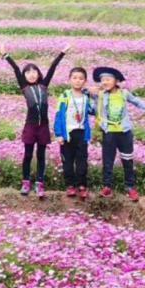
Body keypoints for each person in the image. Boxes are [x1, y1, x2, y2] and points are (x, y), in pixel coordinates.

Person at [1, 43, 69, 199]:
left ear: (38, 74)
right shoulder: (24, 87)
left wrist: (61, 53)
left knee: (41, 156)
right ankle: (26, 182)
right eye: (28, 72)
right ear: (24, 76)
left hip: (43, 127)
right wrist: (6, 55)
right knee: (27, 155)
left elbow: (53, 67)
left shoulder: (44, 85)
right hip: (30, 127)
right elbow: (16, 69)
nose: (31, 74)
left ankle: (40, 183)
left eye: (34, 72)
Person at [91, 66, 145, 201]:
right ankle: (107, 186)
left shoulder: (124, 93)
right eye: (102, 80)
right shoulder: (101, 95)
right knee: (108, 161)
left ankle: (130, 187)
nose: (105, 82)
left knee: (127, 160)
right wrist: (89, 95)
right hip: (109, 133)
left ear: (116, 81)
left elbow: (137, 102)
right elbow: (94, 110)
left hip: (124, 132)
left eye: (108, 79)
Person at [53, 67, 95, 200]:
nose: (78, 81)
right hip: (67, 133)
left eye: (81, 78)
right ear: (69, 79)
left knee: (82, 160)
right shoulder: (65, 96)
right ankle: (70, 185)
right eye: (75, 78)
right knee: (68, 161)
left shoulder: (86, 97)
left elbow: (93, 111)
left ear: (85, 81)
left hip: (81, 132)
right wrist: (58, 134)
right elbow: (59, 115)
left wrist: (95, 95)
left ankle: (81, 185)